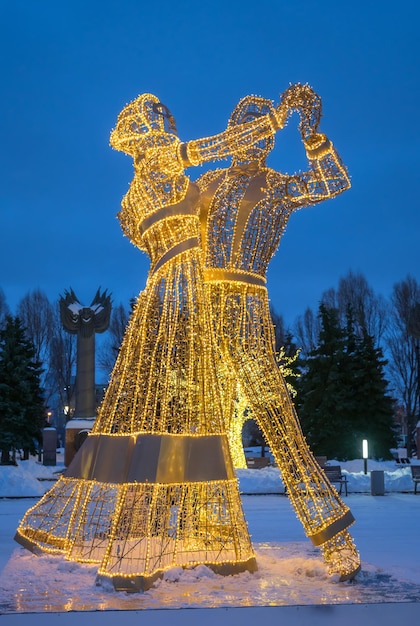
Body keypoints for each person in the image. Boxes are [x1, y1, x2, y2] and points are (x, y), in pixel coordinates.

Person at [15, 93, 287, 592]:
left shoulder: (141, 190)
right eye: (159, 118)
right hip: (177, 293)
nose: (169, 123)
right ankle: (138, 549)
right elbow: (223, 144)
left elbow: (167, 219)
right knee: (167, 413)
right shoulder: (162, 162)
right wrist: (274, 119)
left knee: (162, 413)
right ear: (142, 132)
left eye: (168, 117)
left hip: (171, 291)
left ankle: (165, 532)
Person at [197, 84, 361, 581]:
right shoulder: (206, 185)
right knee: (209, 427)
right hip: (205, 313)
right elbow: (157, 220)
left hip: (248, 308)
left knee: (281, 426)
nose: (253, 140)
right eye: (244, 128)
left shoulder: (278, 187)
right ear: (232, 132)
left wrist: (312, 135)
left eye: (263, 131)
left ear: (270, 139)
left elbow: (334, 181)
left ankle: (335, 539)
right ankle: (217, 538)